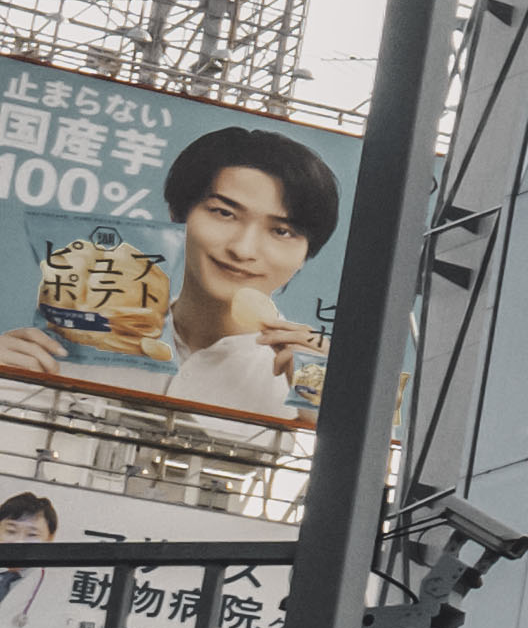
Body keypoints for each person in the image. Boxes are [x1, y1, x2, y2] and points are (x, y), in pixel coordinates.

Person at [0, 127, 340, 419]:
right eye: (224, 213)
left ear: (306, 254)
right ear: (177, 215)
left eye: (281, 231)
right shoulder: (81, 338)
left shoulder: (315, 379)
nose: (243, 249)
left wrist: (332, 417)